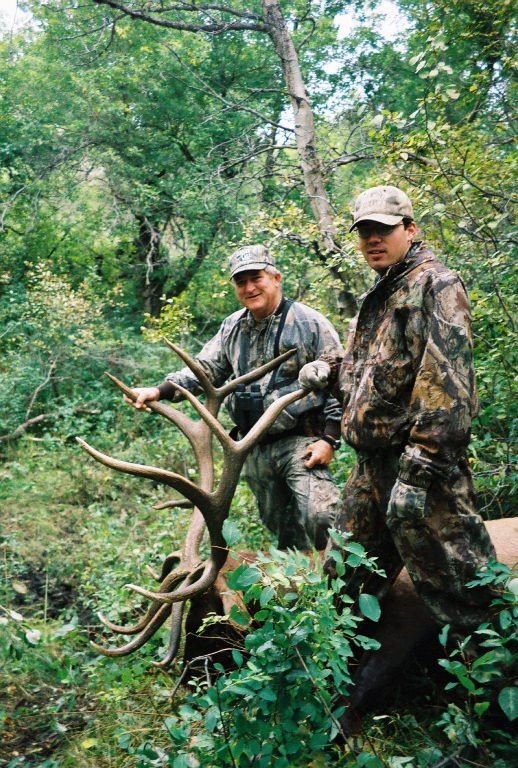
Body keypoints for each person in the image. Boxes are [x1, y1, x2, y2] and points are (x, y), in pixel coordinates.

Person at [299, 185, 496, 631]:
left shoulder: (436, 284)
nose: (373, 239)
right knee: (343, 584)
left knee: (467, 593)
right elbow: (374, 368)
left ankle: (497, 668)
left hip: (422, 470)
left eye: (383, 230)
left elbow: (447, 387)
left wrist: (418, 472)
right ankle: (340, 670)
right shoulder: (383, 290)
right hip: (371, 469)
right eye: (364, 231)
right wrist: (330, 367)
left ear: (409, 228)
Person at [127, 245, 343, 550]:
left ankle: (341, 576)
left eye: (256, 278)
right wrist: (157, 391)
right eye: (241, 282)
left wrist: (329, 439)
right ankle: (301, 580)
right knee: (283, 530)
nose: (249, 288)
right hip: (252, 446)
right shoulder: (232, 326)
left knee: (321, 516)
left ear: (276, 278)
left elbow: (340, 381)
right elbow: (205, 370)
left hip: (301, 441)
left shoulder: (309, 323)